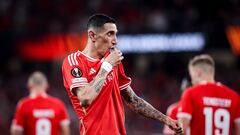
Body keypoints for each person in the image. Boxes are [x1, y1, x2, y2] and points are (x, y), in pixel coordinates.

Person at [62, 14, 183, 135]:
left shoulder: (113, 61)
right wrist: (106, 67)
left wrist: (166, 120)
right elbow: (85, 98)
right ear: (92, 35)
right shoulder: (75, 61)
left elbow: (133, 100)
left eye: (115, 33)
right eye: (110, 34)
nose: (115, 40)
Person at [177, 54, 240, 135]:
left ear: (198, 73)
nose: (192, 81)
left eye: (192, 76)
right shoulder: (234, 96)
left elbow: (182, 129)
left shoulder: (191, 93)